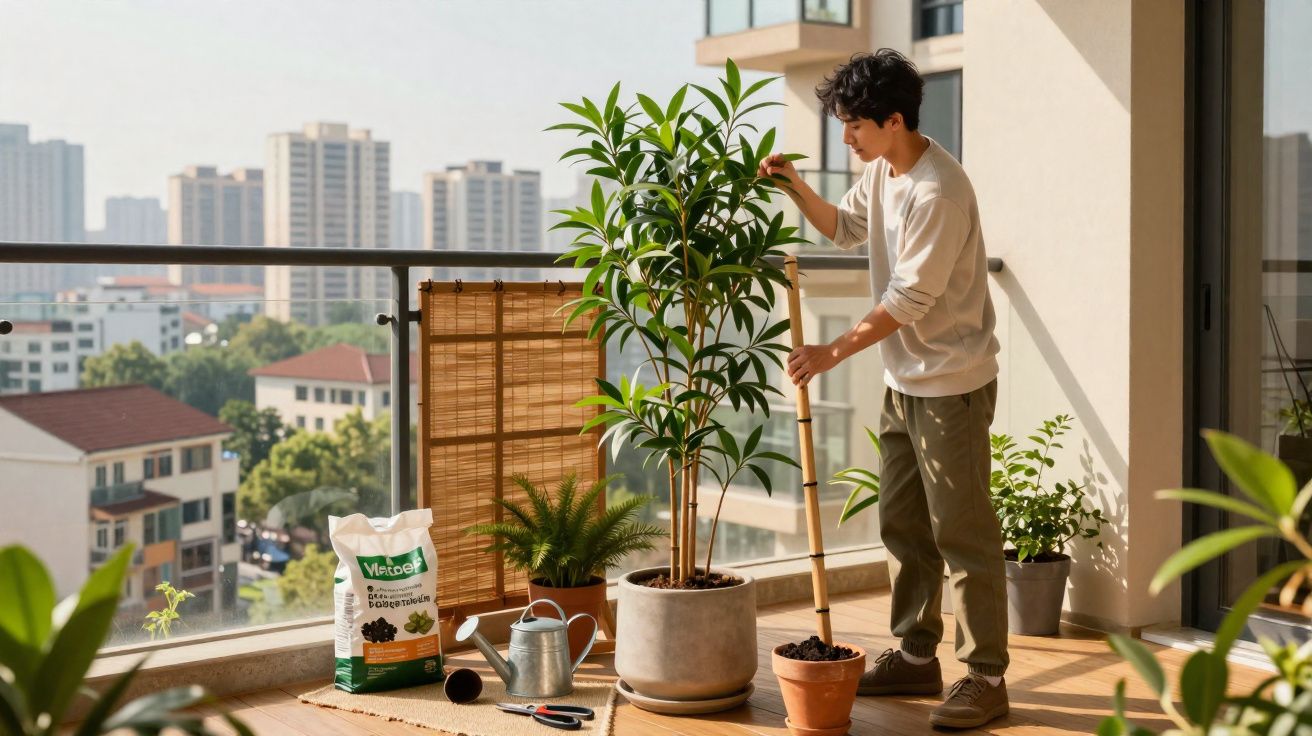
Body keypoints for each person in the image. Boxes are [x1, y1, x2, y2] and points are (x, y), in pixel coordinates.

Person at [760, 48, 1008, 729]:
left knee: (962, 531)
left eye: (853, 125)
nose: (845, 138)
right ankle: (917, 653)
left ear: (892, 121)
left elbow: (906, 301)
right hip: (905, 379)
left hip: (951, 384)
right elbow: (844, 229)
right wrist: (792, 188)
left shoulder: (938, 191)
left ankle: (986, 675)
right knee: (901, 522)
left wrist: (830, 352)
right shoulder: (884, 175)